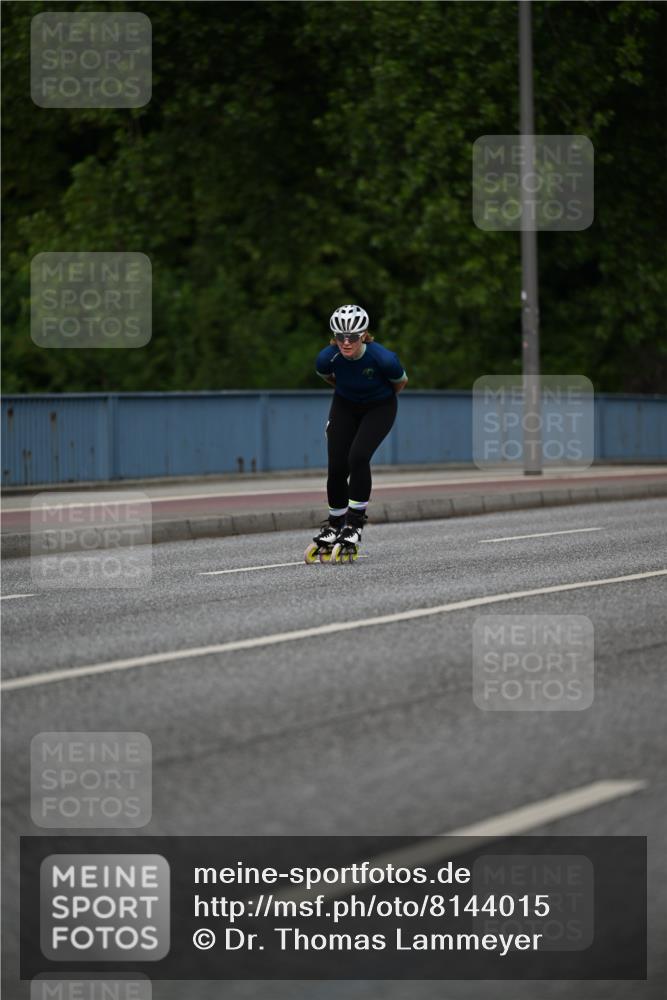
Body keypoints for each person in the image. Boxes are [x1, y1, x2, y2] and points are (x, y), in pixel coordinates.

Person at [311, 303, 408, 554]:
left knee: (358, 457)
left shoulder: (384, 358)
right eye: (340, 337)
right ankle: (335, 525)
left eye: (352, 337)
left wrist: (375, 396)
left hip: (380, 407)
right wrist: (350, 392)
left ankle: (354, 524)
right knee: (336, 466)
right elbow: (328, 377)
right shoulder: (326, 358)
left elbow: (400, 382)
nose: (346, 342)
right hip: (345, 405)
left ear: (363, 335)